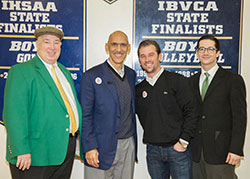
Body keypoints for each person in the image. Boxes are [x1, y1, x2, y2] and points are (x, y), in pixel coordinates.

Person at [3, 26, 82, 179]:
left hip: (64, 150)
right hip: (35, 154)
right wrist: (21, 149)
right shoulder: (21, 71)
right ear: (37, 45)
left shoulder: (64, 71)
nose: (52, 47)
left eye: (57, 43)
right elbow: (14, 114)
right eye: (47, 42)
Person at [135, 39, 197, 179]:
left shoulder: (177, 81)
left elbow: (192, 111)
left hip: (177, 150)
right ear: (139, 60)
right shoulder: (138, 90)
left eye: (151, 55)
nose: (147, 59)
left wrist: (183, 140)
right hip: (153, 151)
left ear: (160, 57)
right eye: (143, 56)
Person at [80, 30, 137, 179]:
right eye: (114, 44)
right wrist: (90, 146)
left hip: (127, 145)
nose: (119, 49)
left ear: (129, 48)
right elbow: (85, 115)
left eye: (123, 45)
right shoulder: (91, 76)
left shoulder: (131, 74)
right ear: (107, 47)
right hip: (100, 146)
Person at [189, 35, 247, 179]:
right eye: (201, 49)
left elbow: (240, 118)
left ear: (218, 53)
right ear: (197, 53)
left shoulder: (233, 80)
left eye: (210, 49)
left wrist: (236, 149)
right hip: (196, 153)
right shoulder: (190, 81)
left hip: (222, 152)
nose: (205, 52)